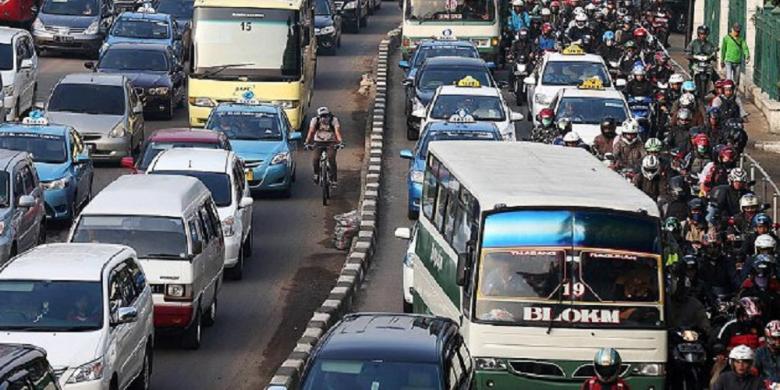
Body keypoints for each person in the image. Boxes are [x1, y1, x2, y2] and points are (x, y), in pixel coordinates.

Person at [305, 106, 343, 185]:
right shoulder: (314, 120)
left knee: (331, 158)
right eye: (322, 116)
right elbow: (311, 132)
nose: (324, 118)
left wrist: (340, 142)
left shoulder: (334, 120)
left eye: (326, 116)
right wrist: (307, 142)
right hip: (318, 142)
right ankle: (316, 174)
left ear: (329, 115)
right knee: (315, 158)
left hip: (331, 142)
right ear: (318, 117)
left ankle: (334, 179)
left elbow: (337, 132)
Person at [720, 23, 750, 87]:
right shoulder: (726, 38)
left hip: (737, 61)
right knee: (729, 78)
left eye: (738, 31)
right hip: (728, 61)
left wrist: (747, 56)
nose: (737, 33)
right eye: (736, 31)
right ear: (732, 30)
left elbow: (745, 48)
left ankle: (735, 91)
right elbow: (723, 50)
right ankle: (728, 92)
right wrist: (722, 60)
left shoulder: (741, 39)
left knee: (736, 79)